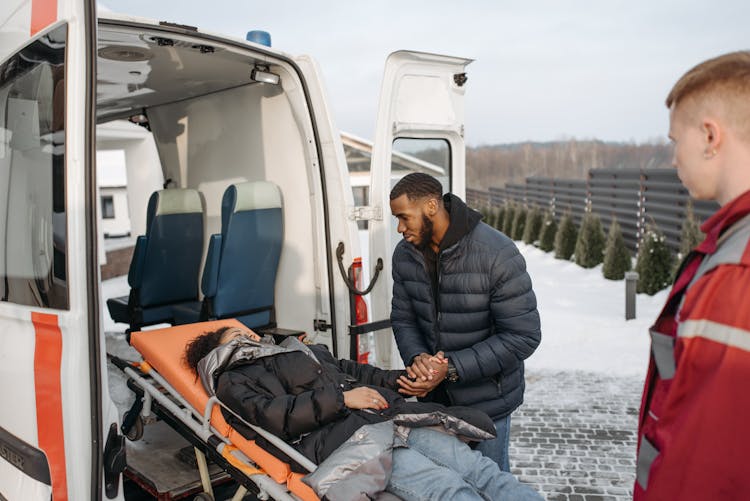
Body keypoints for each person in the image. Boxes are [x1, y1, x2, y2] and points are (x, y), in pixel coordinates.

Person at [185, 326, 543, 501]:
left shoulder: (294, 350)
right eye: (236, 333)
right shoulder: (232, 379)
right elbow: (274, 416)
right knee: (448, 490)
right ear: (223, 347)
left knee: (479, 470)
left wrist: (403, 379)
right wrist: (344, 401)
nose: (250, 334)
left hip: (389, 418)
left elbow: (352, 371)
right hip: (349, 444)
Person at [635, 51, 750, 500]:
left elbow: (710, 463)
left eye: (673, 140)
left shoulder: (736, 272)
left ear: (709, 136)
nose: (673, 158)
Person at [389, 172, 541, 471]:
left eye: (405, 217)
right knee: (446, 485)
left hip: (487, 404)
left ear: (431, 206)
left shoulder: (496, 253)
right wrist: (419, 359)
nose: (400, 228)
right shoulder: (404, 255)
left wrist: (451, 368)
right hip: (434, 403)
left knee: (489, 486)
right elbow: (403, 318)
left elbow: (523, 335)